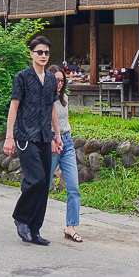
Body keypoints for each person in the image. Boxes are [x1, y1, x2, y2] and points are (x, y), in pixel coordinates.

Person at [3, 35, 63, 245]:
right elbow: (14, 106)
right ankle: (21, 217)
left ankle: (35, 228)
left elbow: (53, 109)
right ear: (31, 54)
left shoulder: (51, 81)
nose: (43, 55)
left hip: (45, 137)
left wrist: (57, 135)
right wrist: (9, 136)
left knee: (44, 183)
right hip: (25, 136)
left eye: (46, 52)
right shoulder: (22, 77)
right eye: (39, 52)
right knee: (36, 178)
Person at [46, 65, 83, 243]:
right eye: (56, 80)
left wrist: (64, 137)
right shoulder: (44, 98)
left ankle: (71, 227)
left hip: (67, 142)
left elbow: (64, 121)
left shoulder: (64, 98)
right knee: (44, 186)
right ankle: (31, 221)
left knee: (74, 186)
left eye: (62, 80)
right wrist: (53, 139)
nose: (59, 83)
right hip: (51, 142)